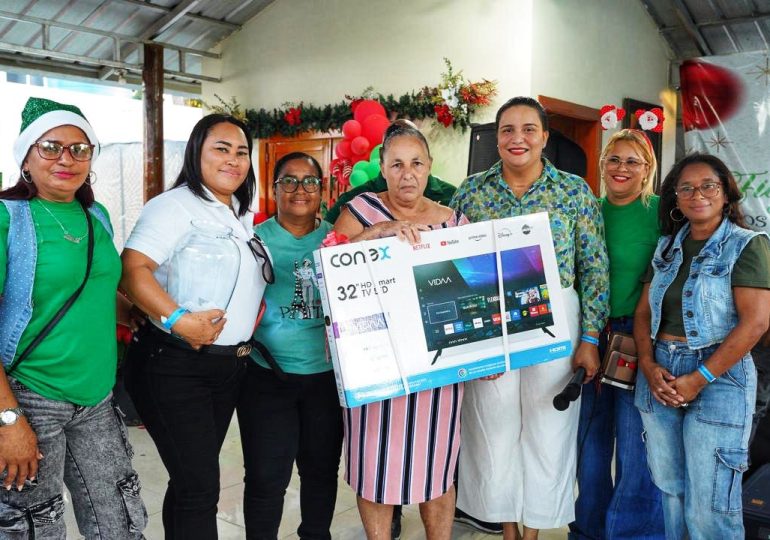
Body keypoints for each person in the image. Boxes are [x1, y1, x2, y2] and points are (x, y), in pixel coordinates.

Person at [451, 96, 609, 540]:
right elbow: (455, 263)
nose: (517, 138)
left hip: (554, 315)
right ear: (496, 138)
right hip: (489, 316)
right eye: (507, 130)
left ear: (544, 137)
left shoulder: (574, 191)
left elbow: (594, 266)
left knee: (549, 425)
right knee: (492, 422)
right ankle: (508, 529)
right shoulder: (472, 192)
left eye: (527, 129)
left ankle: (535, 530)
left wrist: (591, 337)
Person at [0, 97, 147, 538]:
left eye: (79, 149)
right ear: (26, 156)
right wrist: (8, 421)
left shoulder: (95, 215)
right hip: (31, 397)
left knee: (120, 519)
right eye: (51, 147)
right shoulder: (8, 218)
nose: (66, 158)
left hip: (97, 398)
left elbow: (97, 288)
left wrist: (138, 312)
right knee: (35, 525)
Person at [121, 113, 270, 539]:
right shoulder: (174, 205)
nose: (233, 160)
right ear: (196, 153)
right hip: (175, 364)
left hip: (225, 369)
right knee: (200, 485)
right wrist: (177, 319)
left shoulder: (237, 213)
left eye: (241, 152)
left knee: (191, 482)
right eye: (220, 149)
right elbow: (133, 269)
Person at [334, 122, 468, 540]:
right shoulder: (360, 211)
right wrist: (378, 234)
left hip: (439, 365)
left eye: (416, 163)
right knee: (374, 464)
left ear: (429, 167)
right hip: (376, 364)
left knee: (437, 464)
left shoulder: (454, 221)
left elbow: (471, 290)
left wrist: (487, 353)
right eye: (396, 164)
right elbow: (328, 267)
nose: (407, 173)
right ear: (382, 167)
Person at [633, 153, 770, 539]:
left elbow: (757, 321)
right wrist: (646, 361)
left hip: (720, 377)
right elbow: (644, 313)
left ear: (726, 193)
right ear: (675, 198)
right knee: (672, 493)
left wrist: (700, 376)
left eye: (708, 185)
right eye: (686, 188)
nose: (698, 195)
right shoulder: (665, 247)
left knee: (710, 504)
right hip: (659, 371)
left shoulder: (747, 245)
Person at [237, 151, 342, 539]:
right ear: (274, 188)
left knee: (320, 470)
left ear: (323, 190)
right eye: (289, 181)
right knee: (266, 476)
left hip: (327, 378)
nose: (300, 189)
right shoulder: (251, 240)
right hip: (267, 376)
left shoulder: (338, 240)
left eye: (310, 181)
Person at [569, 129, 664, 540]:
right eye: (614, 160)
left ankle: (632, 534)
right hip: (589, 335)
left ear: (647, 171)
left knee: (635, 445)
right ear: (602, 165)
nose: (621, 168)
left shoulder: (664, 213)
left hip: (639, 338)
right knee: (589, 444)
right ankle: (588, 531)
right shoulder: (586, 210)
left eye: (632, 162)